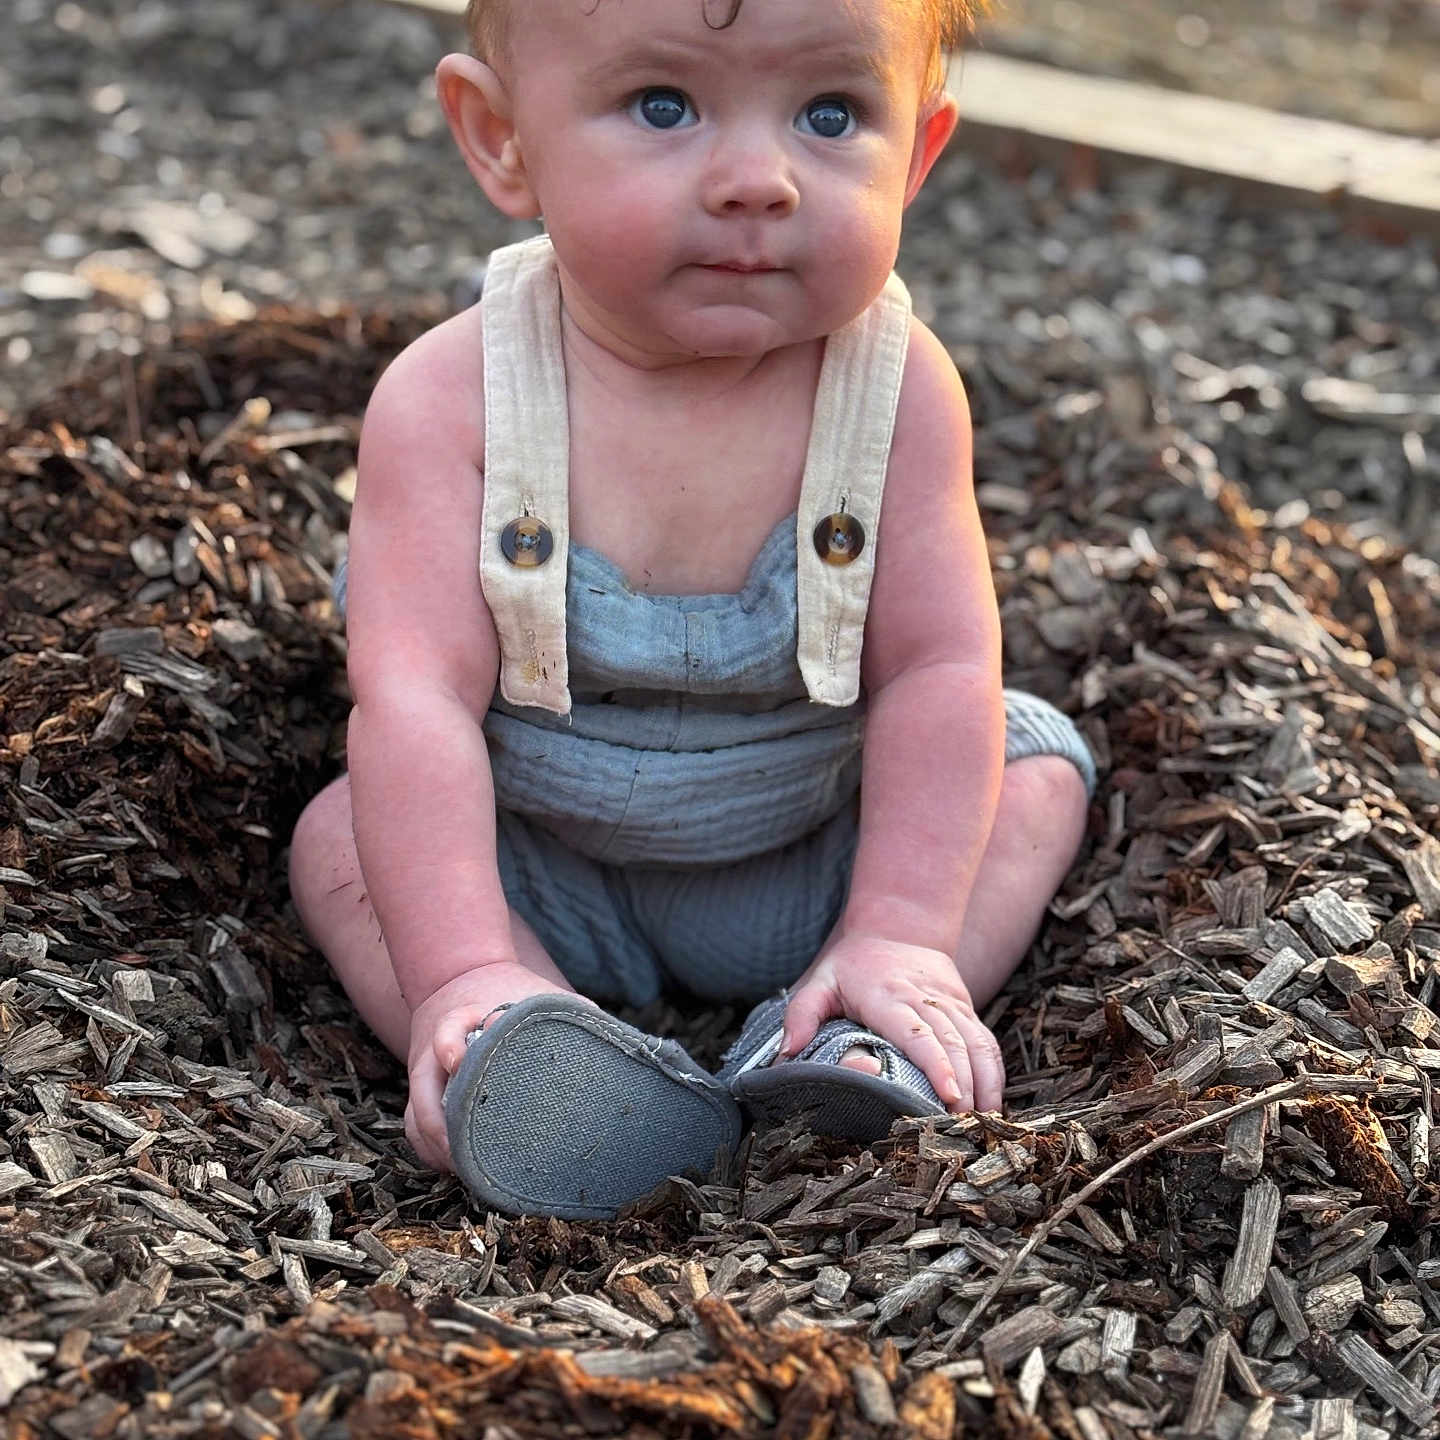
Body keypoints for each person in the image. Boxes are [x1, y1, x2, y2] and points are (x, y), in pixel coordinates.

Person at [288, 0, 1095, 1221]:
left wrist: (897, 923)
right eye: (665, 106)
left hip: (803, 860)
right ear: (503, 138)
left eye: (832, 115)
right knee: (345, 840)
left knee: (1034, 772)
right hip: (534, 863)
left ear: (920, 154)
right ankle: (518, 1037)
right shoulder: (452, 401)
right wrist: (462, 960)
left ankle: (855, 1020)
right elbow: (415, 702)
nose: (759, 180)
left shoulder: (900, 394)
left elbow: (936, 669)